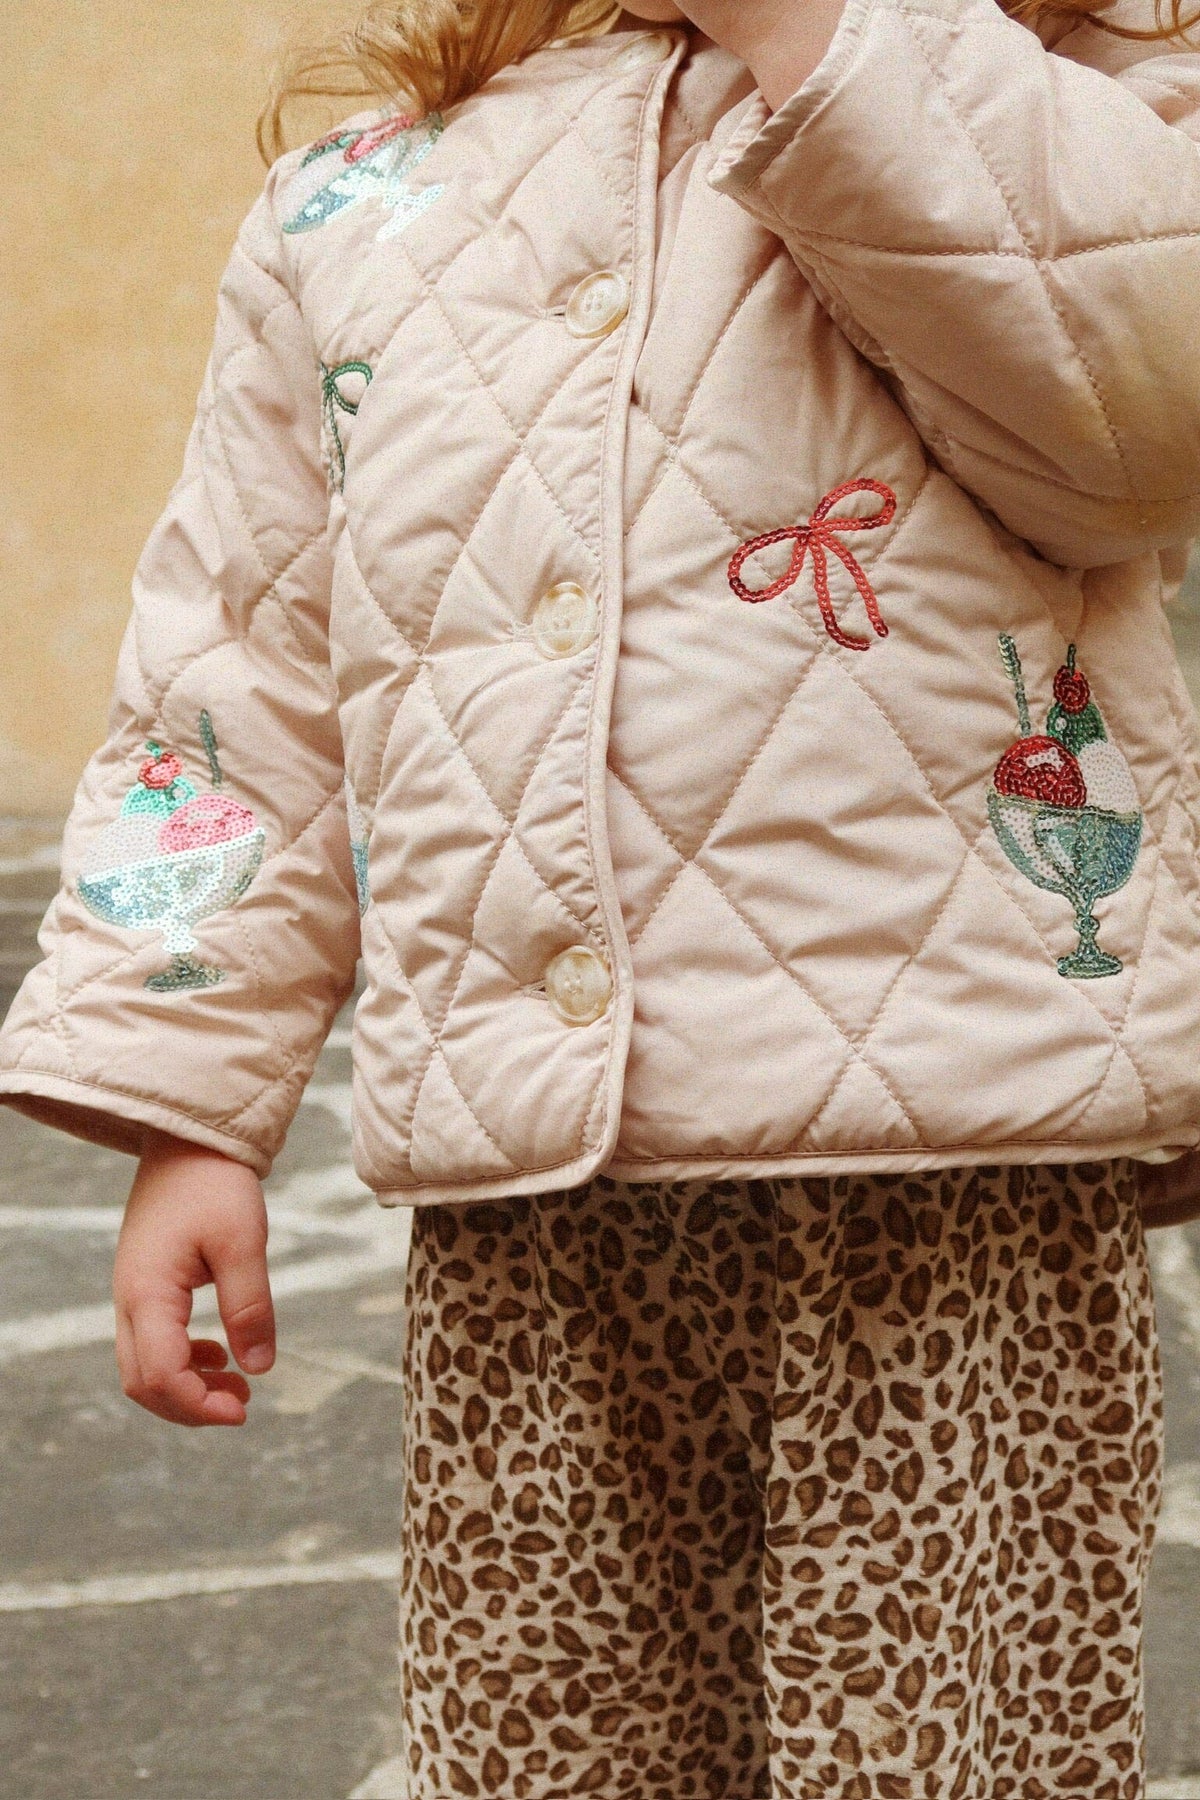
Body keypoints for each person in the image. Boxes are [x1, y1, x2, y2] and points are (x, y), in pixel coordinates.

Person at [4, 0, 1200, 1791]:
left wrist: (820, 34)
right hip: (542, 1208)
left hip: (958, 1186)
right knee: (547, 1748)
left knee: (944, 1756)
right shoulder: (367, 198)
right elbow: (240, 677)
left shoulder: (1079, 90)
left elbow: (1141, 436)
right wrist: (187, 1105)